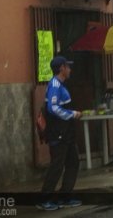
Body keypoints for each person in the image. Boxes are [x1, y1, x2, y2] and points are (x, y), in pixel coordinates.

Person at [37, 56, 83, 211]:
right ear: (62, 68)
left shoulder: (60, 85)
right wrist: (73, 114)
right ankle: (45, 199)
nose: (69, 70)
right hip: (58, 134)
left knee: (73, 163)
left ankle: (65, 196)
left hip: (66, 134)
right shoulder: (55, 85)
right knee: (57, 166)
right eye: (68, 67)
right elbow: (53, 108)